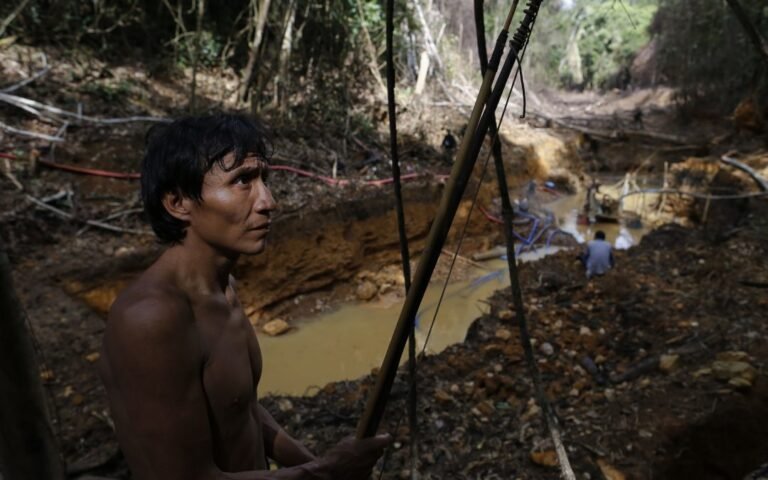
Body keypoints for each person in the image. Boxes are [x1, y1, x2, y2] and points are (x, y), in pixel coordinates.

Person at [98, 114, 391, 480]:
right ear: (178, 202)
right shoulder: (151, 320)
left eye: (263, 180)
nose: (267, 201)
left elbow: (242, 410)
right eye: (241, 182)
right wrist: (325, 473)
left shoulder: (224, 289)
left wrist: (317, 465)